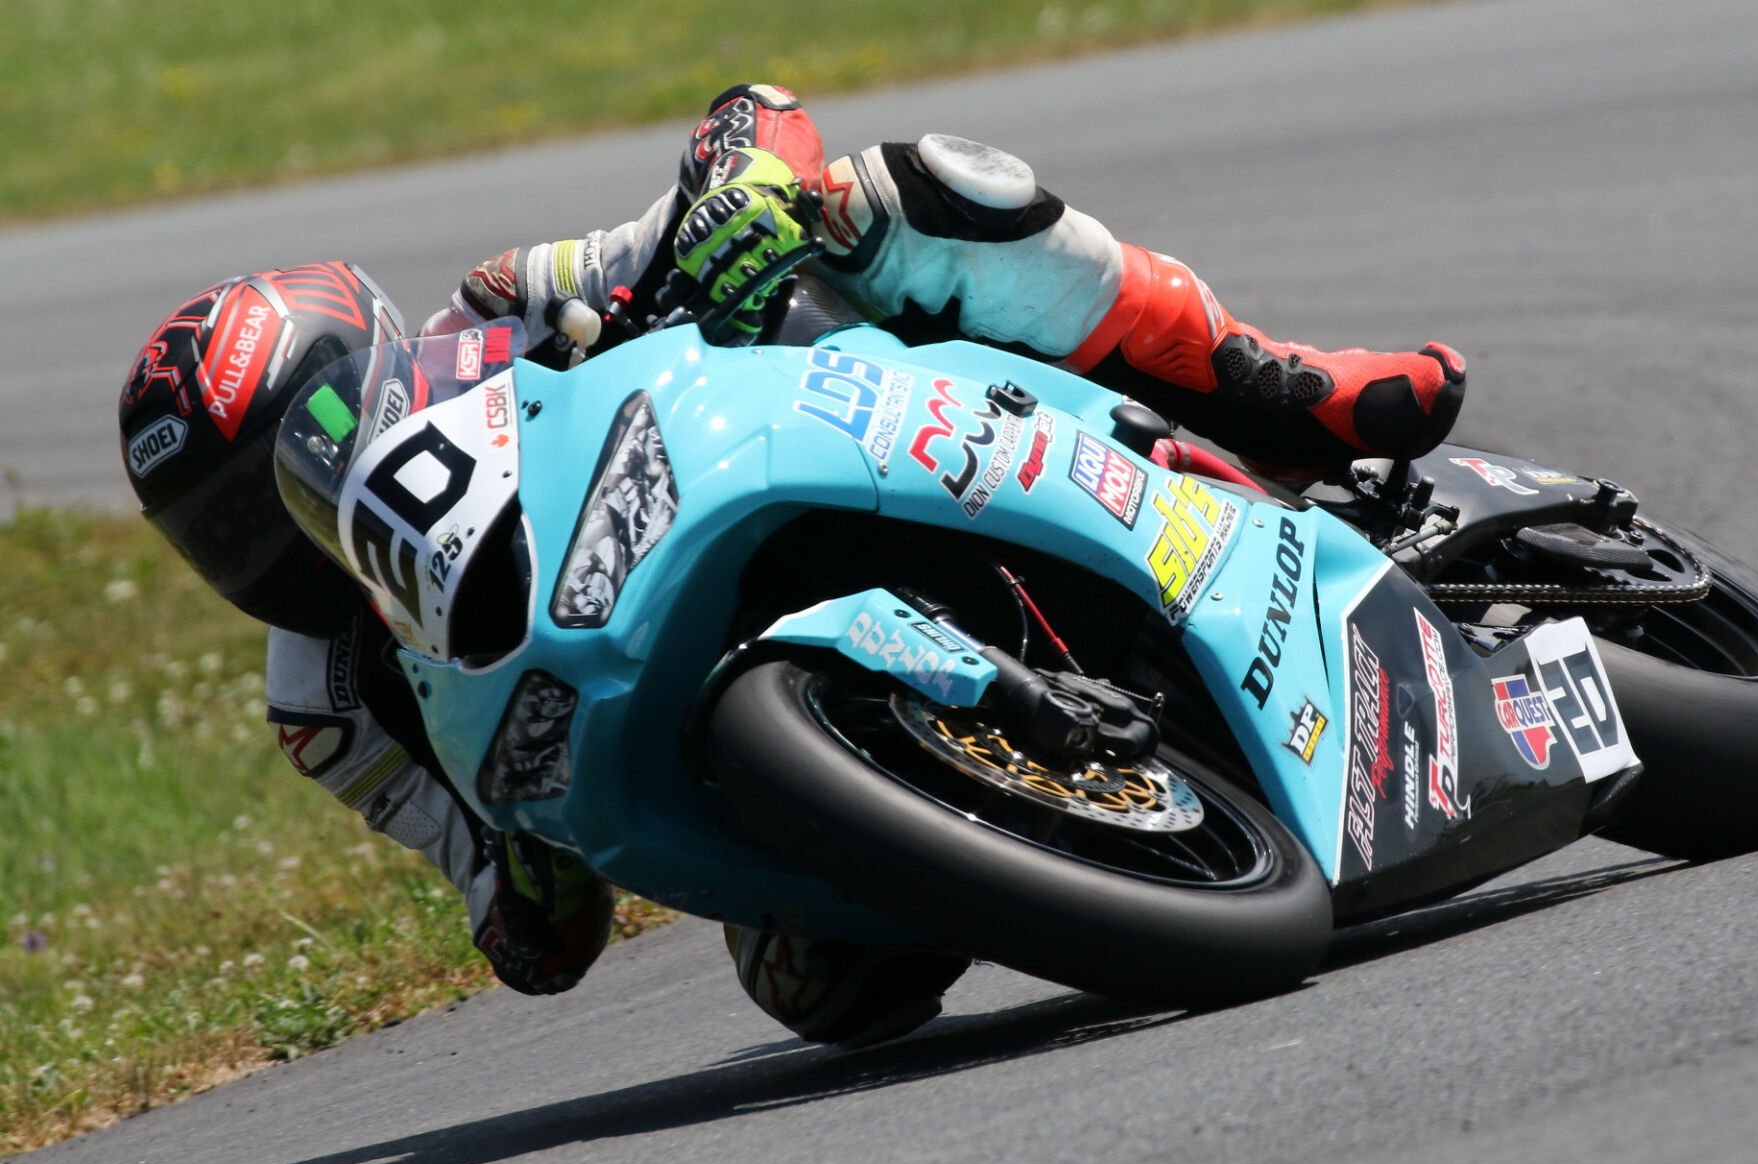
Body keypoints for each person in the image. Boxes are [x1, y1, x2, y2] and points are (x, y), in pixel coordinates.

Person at [117, 85, 1464, 1045]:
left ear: (379, 355)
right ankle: (1095, 804)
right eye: (226, 527)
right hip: (738, 735)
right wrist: (523, 867)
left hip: (861, 431)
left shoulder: (501, 305)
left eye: (277, 472)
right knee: (823, 993)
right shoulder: (328, 702)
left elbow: (752, 116)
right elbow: (528, 929)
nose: (265, 538)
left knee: (901, 195)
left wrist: (736, 201)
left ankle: (1283, 390)